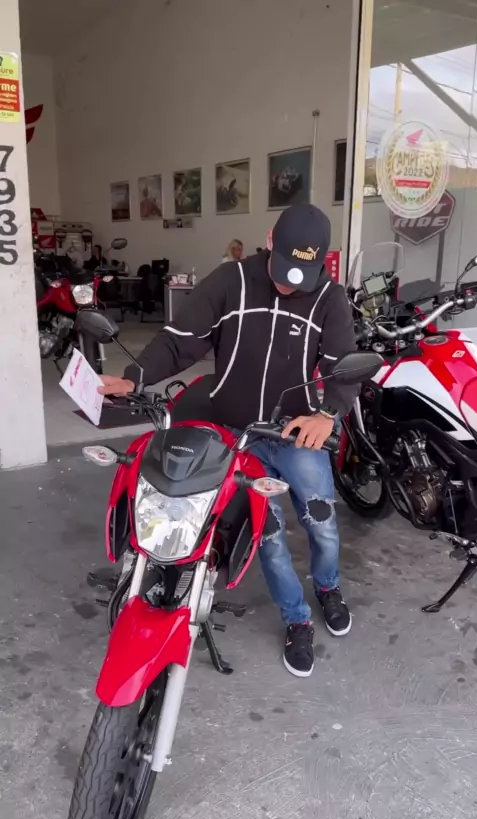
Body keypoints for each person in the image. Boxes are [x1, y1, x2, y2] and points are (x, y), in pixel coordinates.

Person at [99, 204, 358, 678]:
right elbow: (179, 340)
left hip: (296, 433)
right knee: (268, 535)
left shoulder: (329, 297)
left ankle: (328, 586)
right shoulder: (230, 280)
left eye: (302, 276)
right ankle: (297, 619)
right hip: (239, 436)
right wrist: (136, 376)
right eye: (284, 269)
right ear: (270, 240)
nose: (289, 285)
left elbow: (345, 364)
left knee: (322, 524)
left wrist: (329, 413)